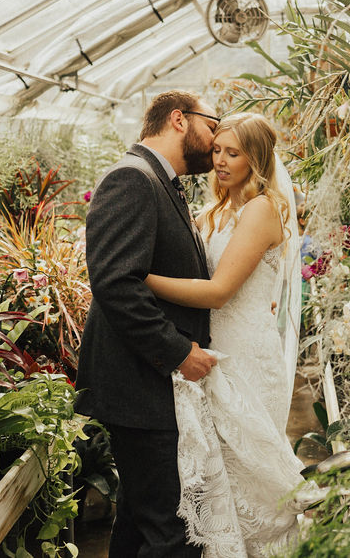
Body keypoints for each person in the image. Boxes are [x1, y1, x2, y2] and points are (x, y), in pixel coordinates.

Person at [144, 112, 305, 557]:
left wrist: (142, 280)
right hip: (219, 354)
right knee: (224, 478)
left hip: (248, 356)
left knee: (252, 481)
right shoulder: (217, 210)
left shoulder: (262, 209)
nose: (219, 160)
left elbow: (218, 291)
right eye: (216, 150)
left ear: (257, 159)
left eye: (233, 153)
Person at [75, 90, 221, 558]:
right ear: (179, 119)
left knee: (141, 520)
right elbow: (116, 283)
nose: (215, 140)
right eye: (212, 125)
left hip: (148, 384)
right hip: (142, 383)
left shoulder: (160, 180)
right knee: (172, 529)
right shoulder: (131, 178)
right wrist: (179, 351)